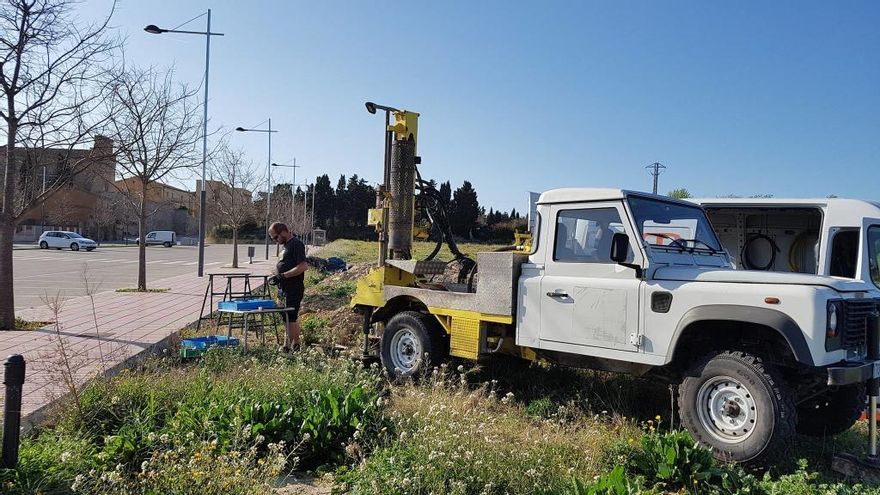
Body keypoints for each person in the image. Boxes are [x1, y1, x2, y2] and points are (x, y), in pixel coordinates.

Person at [268, 222, 308, 351]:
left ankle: (291, 346)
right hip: (284, 288)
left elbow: (303, 266)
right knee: (287, 317)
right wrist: (277, 276)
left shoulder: (296, 244)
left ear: (283, 232)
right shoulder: (286, 246)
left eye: (275, 237)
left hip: (293, 287)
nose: (275, 241)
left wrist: (283, 276)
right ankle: (291, 344)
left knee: (290, 316)